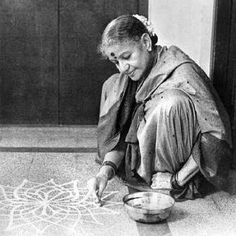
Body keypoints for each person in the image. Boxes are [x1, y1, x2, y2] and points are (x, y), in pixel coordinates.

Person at [87, 14, 232, 202]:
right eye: (116, 62)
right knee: (112, 84)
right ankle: (149, 176)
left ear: (146, 42)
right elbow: (122, 137)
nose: (123, 67)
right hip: (144, 167)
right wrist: (104, 174)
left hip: (181, 171)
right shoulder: (130, 78)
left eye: (127, 57)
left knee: (171, 103)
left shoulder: (181, 71)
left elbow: (216, 134)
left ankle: (169, 181)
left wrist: (176, 180)